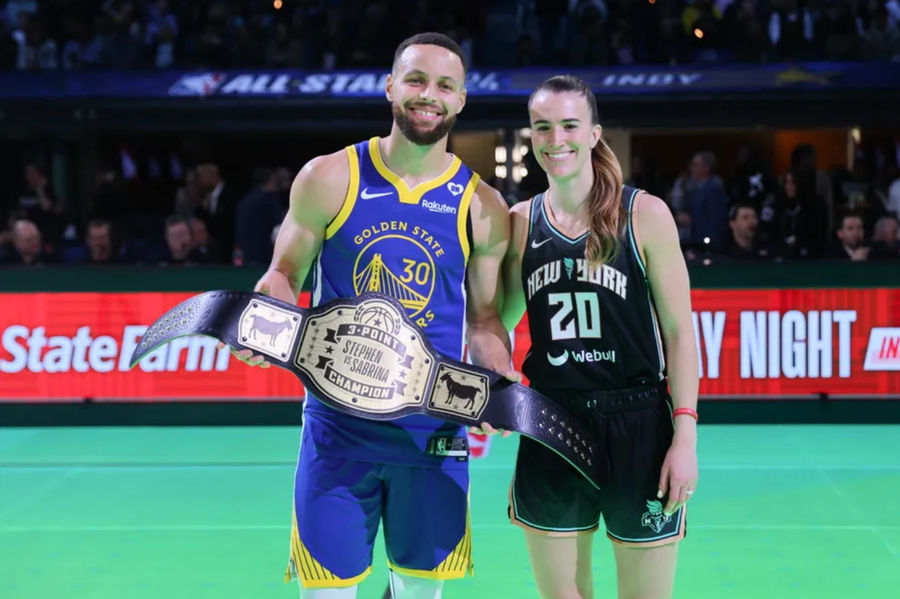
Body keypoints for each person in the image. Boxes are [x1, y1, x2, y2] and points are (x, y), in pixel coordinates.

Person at [227, 32, 510, 598]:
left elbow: (482, 321)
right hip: (337, 433)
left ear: (460, 102)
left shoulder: (483, 206)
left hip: (432, 434)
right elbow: (285, 273)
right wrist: (264, 314)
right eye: (416, 80)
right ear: (390, 87)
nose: (428, 95)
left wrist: (498, 382)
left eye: (444, 86)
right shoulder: (329, 177)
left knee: (417, 593)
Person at [501, 75, 698, 599]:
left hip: (638, 422)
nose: (556, 139)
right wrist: (495, 394)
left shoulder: (643, 215)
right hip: (550, 420)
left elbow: (680, 333)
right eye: (543, 127)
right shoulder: (521, 223)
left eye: (569, 125)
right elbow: (497, 325)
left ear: (594, 134)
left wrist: (685, 435)